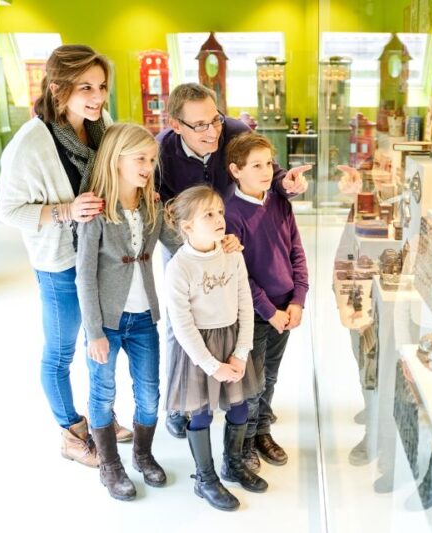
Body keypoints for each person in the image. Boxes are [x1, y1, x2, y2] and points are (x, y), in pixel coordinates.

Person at [156, 82, 359, 438]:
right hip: (187, 244)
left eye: (215, 119)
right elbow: (160, 210)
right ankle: (183, 402)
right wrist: (196, 245)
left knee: (231, 318)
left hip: (234, 238)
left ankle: (242, 403)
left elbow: (271, 173)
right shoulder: (162, 152)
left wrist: (287, 185)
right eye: (199, 125)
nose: (211, 130)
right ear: (176, 125)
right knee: (183, 324)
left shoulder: (234, 130)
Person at [0, 44, 131, 468]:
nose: (97, 97)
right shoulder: (30, 143)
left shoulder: (99, 125)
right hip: (59, 263)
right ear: (58, 89)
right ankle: (70, 431)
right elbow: (8, 210)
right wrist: (65, 211)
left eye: (102, 86)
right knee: (60, 351)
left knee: (101, 342)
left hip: (99, 254)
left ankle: (100, 419)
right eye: (85, 87)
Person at [74, 123, 180, 500]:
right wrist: (95, 332)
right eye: (140, 158)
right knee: (102, 393)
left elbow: (179, 244)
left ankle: (142, 454)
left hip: (144, 320)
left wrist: (215, 240)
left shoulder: (151, 205)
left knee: (150, 394)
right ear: (116, 160)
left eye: (152, 159)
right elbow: (84, 276)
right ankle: (110, 465)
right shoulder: (96, 210)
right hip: (106, 322)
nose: (148, 165)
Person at [163, 185, 268, 511]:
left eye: (220, 212)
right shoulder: (178, 268)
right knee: (202, 412)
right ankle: (205, 478)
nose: (219, 218)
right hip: (199, 350)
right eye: (208, 214)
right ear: (188, 226)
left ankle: (232, 463)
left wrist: (240, 352)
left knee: (240, 406)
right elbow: (181, 325)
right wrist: (211, 364)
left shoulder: (232, 254)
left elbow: (244, 306)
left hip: (231, 341)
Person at [224, 133, 309, 472]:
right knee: (251, 384)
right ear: (235, 170)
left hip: (285, 310)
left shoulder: (279, 202)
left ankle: (262, 432)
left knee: (270, 377)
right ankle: (243, 444)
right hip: (257, 315)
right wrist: (269, 311)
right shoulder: (231, 214)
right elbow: (240, 274)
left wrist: (298, 300)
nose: (265, 171)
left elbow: (297, 253)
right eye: (256, 165)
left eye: (269, 164)